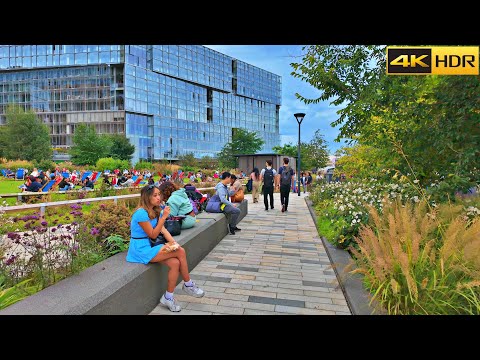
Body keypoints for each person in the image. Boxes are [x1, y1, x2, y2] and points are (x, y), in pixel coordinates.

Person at [126, 184, 205, 312]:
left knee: (175, 263)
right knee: (181, 251)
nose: (159, 198)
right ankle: (188, 284)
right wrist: (163, 218)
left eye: (159, 195)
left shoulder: (155, 210)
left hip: (151, 246)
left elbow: (163, 230)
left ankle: (168, 297)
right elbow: (153, 234)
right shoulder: (141, 213)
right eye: (155, 195)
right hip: (140, 249)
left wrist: (174, 243)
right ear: (147, 197)